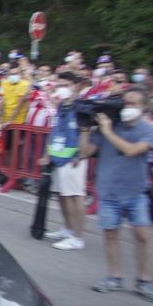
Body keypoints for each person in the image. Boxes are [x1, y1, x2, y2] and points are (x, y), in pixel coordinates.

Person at [79, 88, 153, 302]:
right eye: (126, 103)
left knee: (143, 236)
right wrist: (85, 128)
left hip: (136, 191)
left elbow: (132, 150)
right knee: (110, 235)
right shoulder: (109, 125)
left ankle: (145, 281)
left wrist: (107, 131)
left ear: (143, 107)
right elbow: (85, 152)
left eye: (134, 104)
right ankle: (114, 277)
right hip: (108, 190)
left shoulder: (149, 130)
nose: (128, 108)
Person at [40, 72, 88, 250]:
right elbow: (55, 130)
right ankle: (68, 229)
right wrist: (46, 153)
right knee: (62, 195)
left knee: (74, 197)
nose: (62, 88)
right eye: (59, 85)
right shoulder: (62, 106)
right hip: (59, 155)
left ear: (76, 86)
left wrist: (80, 155)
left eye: (66, 84)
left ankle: (78, 236)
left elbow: (86, 132)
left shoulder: (82, 107)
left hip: (74, 157)